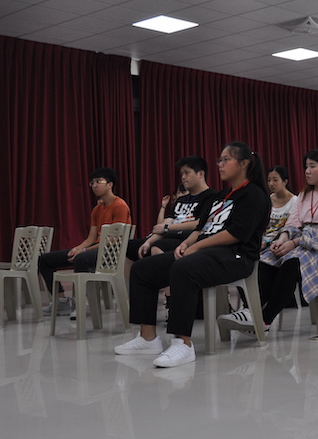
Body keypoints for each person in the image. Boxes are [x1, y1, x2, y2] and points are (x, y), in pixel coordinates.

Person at [114, 142, 270, 368]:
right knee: (143, 269)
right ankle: (147, 338)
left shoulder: (254, 194)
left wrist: (196, 247)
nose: (220, 164)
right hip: (207, 252)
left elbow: (235, 234)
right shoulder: (221, 195)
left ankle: (183, 343)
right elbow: (201, 227)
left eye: (226, 159)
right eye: (219, 160)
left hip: (236, 256)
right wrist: (186, 243)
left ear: (244, 164)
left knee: (183, 267)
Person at [217, 148, 318, 332]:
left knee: (293, 261)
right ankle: (251, 311)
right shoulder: (304, 195)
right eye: (306, 166)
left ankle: (265, 319)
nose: (307, 171)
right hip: (300, 239)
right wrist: (282, 239)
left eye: (312, 166)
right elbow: (293, 223)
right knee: (265, 259)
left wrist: (293, 243)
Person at [39, 167, 131, 316]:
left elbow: (113, 241)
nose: (94, 186)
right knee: (45, 260)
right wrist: (77, 248)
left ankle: (80, 304)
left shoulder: (120, 206)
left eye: (98, 182)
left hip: (111, 252)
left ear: (110, 184)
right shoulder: (97, 209)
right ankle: (61, 301)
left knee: (81, 259)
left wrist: (84, 251)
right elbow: (91, 238)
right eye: (92, 183)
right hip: (95, 248)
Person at [126, 156, 217, 261]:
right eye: (182, 174)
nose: (183, 177)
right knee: (128, 246)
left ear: (200, 174)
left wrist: (168, 228)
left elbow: (200, 223)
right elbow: (166, 223)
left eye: (187, 173)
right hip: (169, 235)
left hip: (188, 238)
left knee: (158, 246)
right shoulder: (181, 200)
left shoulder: (211, 196)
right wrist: (148, 242)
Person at [262, 166, 298, 250]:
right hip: (264, 240)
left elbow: (292, 228)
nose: (271, 183)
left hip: (282, 242)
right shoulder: (267, 200)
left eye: (275, 180)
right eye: (269, 180)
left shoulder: (294, 201)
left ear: (285, 182)